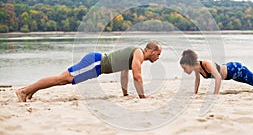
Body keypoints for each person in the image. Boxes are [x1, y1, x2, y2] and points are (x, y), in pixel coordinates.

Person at [16, 41, 162, 102]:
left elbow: (124, 73)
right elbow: (137, 76)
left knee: (64, 81)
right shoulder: (138, 53)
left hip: (96, 67)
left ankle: (30, 91)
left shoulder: (134, 55)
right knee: (64, 78)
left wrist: (125, 94)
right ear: (149, 50)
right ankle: (24, 91)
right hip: (95, 63)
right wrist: (143, 97)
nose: (158, 57)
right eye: (158, 54)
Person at [179, 49, 253, 94]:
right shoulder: (197, 68)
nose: (185, 70)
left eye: (185, 68)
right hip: (232, 75)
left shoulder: (206, 64)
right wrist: (195, 93)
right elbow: (197, 80)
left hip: (236, 69)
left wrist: (215, 94)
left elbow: (218, 78)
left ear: (190, 64)